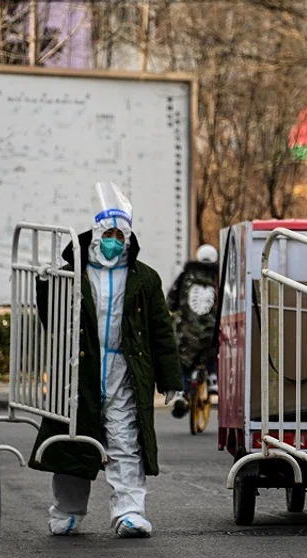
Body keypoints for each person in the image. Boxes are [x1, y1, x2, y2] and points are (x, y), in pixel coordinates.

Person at [30, 181, 183, 538]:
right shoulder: (74, 270)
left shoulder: (144, 278)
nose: (114, 239)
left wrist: (171, 379)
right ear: (96, 233)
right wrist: (45, 283)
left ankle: (129, 512)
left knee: (125, 440)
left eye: (121, 234)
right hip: (78, 369)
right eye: (109, 232)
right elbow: (51, 318)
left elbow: (160, 331)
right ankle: (67, 511)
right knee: (73, 440)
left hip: (123, 370)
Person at [167, 243, 219, 418]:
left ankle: (181, 392)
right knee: (214, 346)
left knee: (182, 360)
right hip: (210, 333)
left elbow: (171, 301)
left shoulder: (185, 275)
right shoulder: (220, 277)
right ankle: (213, 378)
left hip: (186, 332)